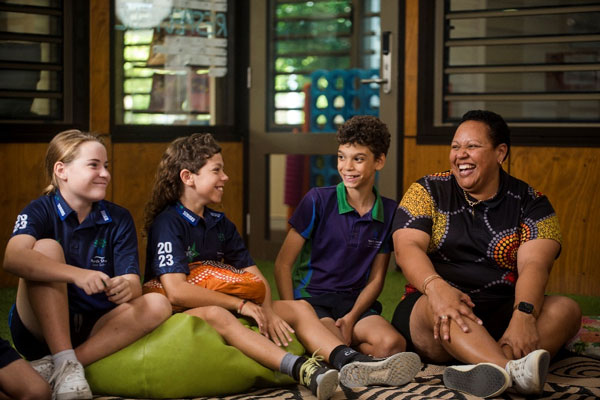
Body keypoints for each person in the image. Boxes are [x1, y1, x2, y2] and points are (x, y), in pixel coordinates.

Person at [143, 133, 421, 400]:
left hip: (230, 302)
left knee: (299, 308)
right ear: (187, 177)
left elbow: (256, 278)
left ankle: (347, 360)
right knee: (220, 313)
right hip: (181, 310)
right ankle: (305, 369)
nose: (225, 177)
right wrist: (240, 305)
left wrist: (267, 309)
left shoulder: (221, 223)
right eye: (217, 170)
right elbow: (176, 292)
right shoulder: (168, 223)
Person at [391, 110, 582, 398]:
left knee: (566, 310)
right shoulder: (427, 190)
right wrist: (436, 287)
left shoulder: (532, 202)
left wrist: (524, 314)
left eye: (472, 146)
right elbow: (407, 247)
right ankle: (510, 370)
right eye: (455, 147)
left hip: (503, 312)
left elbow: (535, 265)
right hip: (435, 310)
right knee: (443, 307)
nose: (460, 155)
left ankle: (483, 370)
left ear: (500, 152)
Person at [3, 130, 172, 400]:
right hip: (36, 329)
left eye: (106, 166)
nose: (104, 173)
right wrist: (77, 275)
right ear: (62, 170)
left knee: (159, 304)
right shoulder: (39, 210)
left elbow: (132, 282)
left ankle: (63, 364)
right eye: (94, 165)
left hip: (94, 330)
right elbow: (13, 257)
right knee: (46, 248)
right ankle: (61, 357)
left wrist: (126, 287)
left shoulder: (119, 218)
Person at [275, 115, 409, 358]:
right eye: (341, 157)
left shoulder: (390, 212)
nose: (347, 167)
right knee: (335, 344)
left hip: (353, 305)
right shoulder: (317, 200)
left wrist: (351, 318)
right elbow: (283, 264)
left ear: (379, 161)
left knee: (393, 345)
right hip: (312, 300)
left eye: (358, 159)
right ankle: (348, 356)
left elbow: (377, 279)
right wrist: (295, 314)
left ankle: (347, 354)